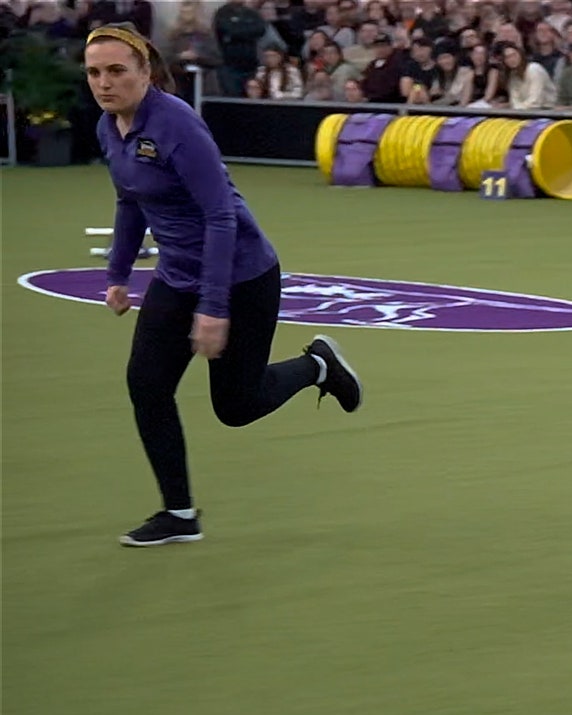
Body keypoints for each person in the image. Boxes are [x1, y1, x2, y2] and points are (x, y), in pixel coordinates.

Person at [84, 23, 363, 548]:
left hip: (241, 277)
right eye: (95, 72)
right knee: (146, 386)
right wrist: (118, 274)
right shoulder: (109, 127)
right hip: (177, 276)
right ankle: (180, 514)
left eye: (117, 71)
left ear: (146, 73)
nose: (104, 83)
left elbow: (219, 216)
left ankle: (318, 365)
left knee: (235, 407)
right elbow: (129, 201)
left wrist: (213, 308)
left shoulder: (179, 126)